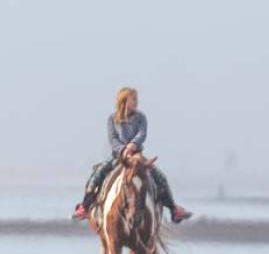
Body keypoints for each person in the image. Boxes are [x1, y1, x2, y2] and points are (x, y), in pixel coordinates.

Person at [72, 87, 194, 223]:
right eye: (133, 99)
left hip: (137, 156)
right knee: (97, 175)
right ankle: (85, 206)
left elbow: (142, 134)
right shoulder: (112, 119)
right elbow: (112, 138)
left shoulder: (141, 117)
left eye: (136, 99)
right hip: (119, 156)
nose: (137, 102)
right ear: (124, 100)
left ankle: (173, 209)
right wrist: (123, 149)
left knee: (160, 177)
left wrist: (133, 145)